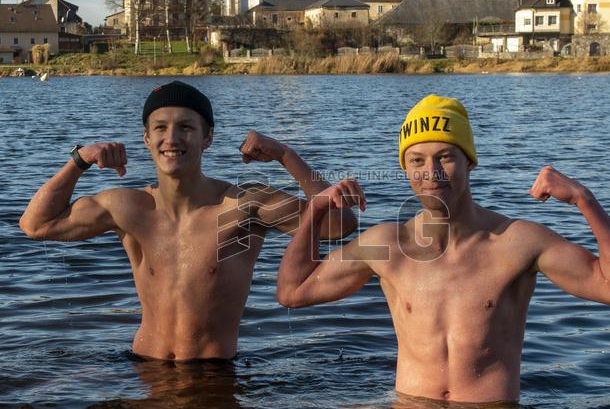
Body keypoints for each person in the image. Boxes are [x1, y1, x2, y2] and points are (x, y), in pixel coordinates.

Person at [276, 95, 610, 403]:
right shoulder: (386, 246)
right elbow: (293, 292)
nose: (432, 173)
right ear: (405, 168)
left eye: (446, 157)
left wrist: (584, 200)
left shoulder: (517, 243)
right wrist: (317, 209)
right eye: (417, 160)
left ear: (469, 162)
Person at [19, 80, 357, 361]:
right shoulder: (128, 207)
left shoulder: (244, 205)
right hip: (143, 368)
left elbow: (341, 223)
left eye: (186, 127)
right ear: (146, 138)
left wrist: (285, 155)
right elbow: (36, 224)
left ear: (207, 137)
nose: (172, 139)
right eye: (161, 128)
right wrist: (80, 159)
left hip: (214, 378)